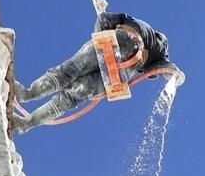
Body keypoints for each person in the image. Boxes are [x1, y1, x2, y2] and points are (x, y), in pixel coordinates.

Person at [13, 12, 172, 134]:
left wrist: (99, 43)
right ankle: (26, 124)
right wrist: (174, 76)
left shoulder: (132, 20)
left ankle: (26, 94)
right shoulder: (159, 52)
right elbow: (162, 69)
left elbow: (103, 19)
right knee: (70, 97)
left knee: (66, 73)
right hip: (119, 74)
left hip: (115, 42)